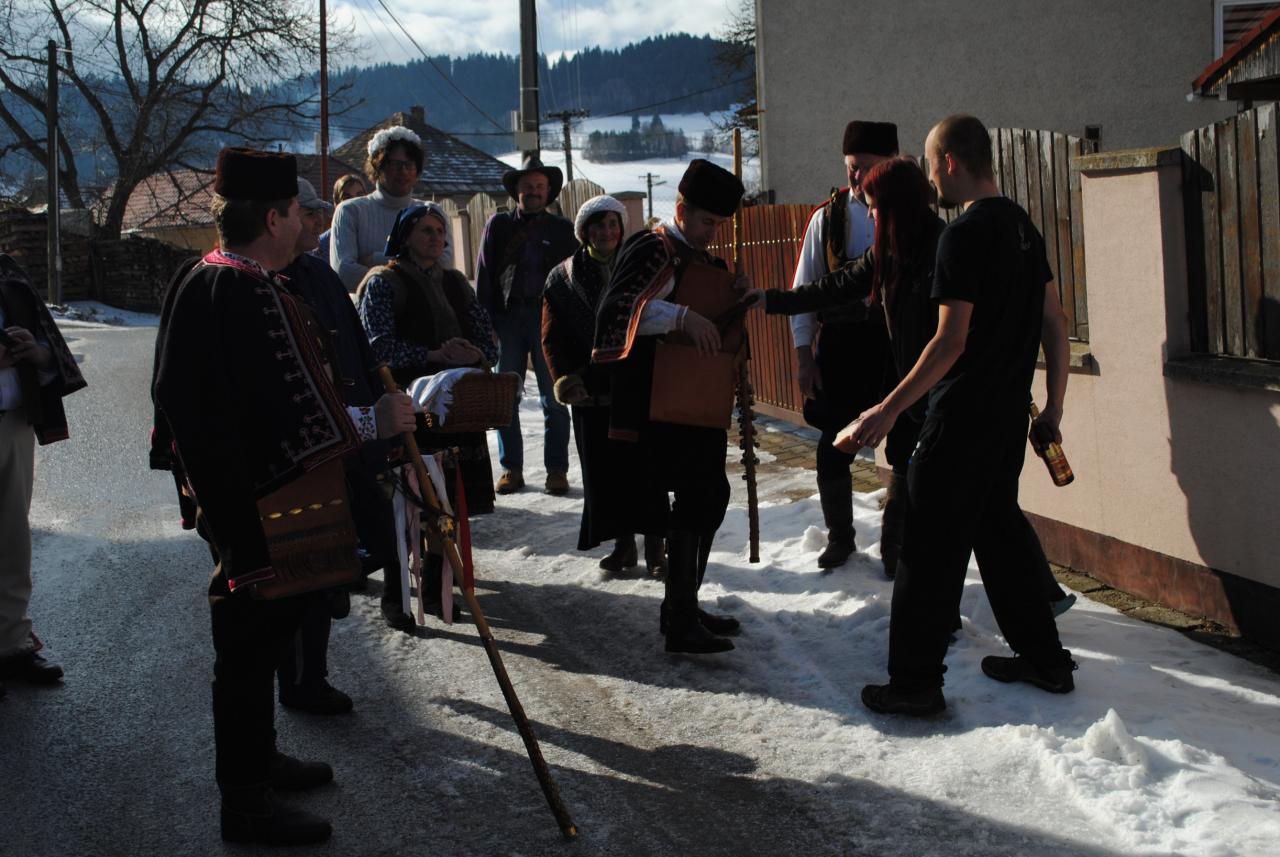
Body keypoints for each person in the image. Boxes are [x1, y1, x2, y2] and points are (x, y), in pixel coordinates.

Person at [150, 148, 416, 845]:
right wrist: (372, 422)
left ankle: (260, 762)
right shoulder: (242, 289)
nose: (305, 222)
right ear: (272, 218)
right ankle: (245, 804)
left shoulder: (213, 275)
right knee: (247, 645)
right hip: (254, 500)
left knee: (262, 640)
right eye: (297, 211)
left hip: (246, 493)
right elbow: (286, 406)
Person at [847, 116, 1076, 716]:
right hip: (1005, 423)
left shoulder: (962, 235)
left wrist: (887, 409)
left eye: (930, 165)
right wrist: (1053, 406)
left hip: (959, 420)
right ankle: (1046, 660)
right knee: (998, 534)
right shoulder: (1023, 227)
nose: (930, 180)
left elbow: (949, 342)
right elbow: (1055, 324)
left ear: (949, 161)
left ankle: (914, 684)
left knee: (926, 550)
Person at [592, 159, 746, 654]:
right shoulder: (650, 247)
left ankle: (682, 607)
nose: (711, 233)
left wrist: (733, 297)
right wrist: (681, 316)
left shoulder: (699, 257)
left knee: (710, 496)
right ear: (681, 210)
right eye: (706, 222)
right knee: (699, 496)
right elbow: (617, 310)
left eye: (718, 224)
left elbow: (711, 318)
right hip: (658, 402)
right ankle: (680, 619)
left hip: (695, 399)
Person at [276, 178, 397, 705]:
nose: (318, 223)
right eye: (308, 214)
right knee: (302, 566)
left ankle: (315, 663)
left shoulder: (317, 272)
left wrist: (378, 417)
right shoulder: (263, 283)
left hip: (349, 439)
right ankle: (301, 682)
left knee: (358, 544)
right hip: (302, 455)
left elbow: (356, 349)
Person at [357, 202, 499, 624]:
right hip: (407, 410)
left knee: (446, 504)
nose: (436, 238)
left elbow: (488, 343)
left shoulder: (456, 282)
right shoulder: (382, 283)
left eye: (440, 231)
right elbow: (377, 348)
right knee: (405, 505)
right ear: (405, 238)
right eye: (426, 230)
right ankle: (396, 598)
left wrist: (472, 353)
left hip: (454, 413)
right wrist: (433, 354)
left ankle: (439, 591)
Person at [788, 120, 898, 570]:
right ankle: (840, 538)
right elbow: (803, 293)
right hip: (840, 349)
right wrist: (804, 358)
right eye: (851, 166)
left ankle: (896, 547)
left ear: (890, 164)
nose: (856, 175)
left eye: (866, 166)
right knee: (834, 445)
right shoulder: (827, 218)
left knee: (906, 446)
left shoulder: (910, 215)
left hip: (895, 348)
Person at [542, 194, 667, 576]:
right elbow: (552, 336)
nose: (607, 231)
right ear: (584, 232)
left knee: (647, 469)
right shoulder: (562, 278)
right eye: (598, 225)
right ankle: (623, 546)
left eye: (613, 224)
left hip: (638, 384)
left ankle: (657, 550)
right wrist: (565, 378)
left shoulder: (643, 268)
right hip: (591, 389)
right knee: (607, 473)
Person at [0, 253, 85, 699]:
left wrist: (35, 352)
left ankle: (11, 645)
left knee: (13, 542)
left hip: (13, 423)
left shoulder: (8, 272)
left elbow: (51, 349)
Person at [474, 156, 578, 496]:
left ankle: (556, 471)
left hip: (549, 319)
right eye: (527, 186)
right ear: (516, 190)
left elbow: (573, 279)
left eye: (539, 186)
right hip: (507, 318)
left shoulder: (563, 230)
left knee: (554, 397)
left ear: (548, 192)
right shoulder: (498, 226)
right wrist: (486, 322)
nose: (533, 191)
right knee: (506, 396)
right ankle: (511, 469)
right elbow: (485, 275)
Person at [331, 125, 452, 290]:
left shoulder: (431, 212)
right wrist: (415, 273)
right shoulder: (351, 211)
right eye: (395, 164)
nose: (403, 171)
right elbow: (344, 273)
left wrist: (376, 259)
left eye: (409, 165)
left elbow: (443, 269)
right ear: (378, 167)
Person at [313, 173, 368, 263]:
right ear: (336, 203)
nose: (354, 202)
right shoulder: (321, 245)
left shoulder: (374, 235)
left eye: (359, 196)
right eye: (347, 198)